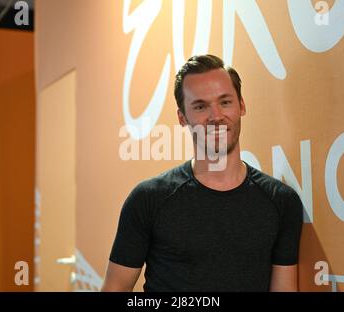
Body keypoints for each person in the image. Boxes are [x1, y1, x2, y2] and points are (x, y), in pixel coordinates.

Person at [101, 54, 303, 292]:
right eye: (200, 106)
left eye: (225, 102)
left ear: (242, 105)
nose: (216, 116)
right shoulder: (148, 199)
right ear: (182, 118)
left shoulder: (281, 201)